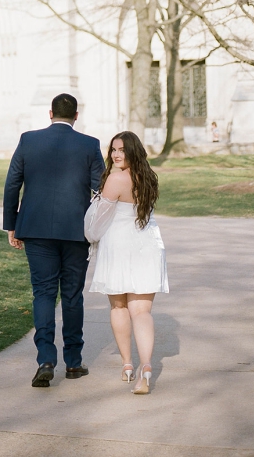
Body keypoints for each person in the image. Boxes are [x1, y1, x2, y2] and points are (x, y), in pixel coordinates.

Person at [3, 93, 104, 388]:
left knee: (44, 293)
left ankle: (46, 359)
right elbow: (101, 190)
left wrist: (12, 224)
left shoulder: (28, 140)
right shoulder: (89, 144)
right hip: (76, 231)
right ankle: (73, 363)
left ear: (50, 113)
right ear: (76, 115)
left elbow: (12, 183)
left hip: (35, 228)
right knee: (72, 295)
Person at [89, 130, 169, 394]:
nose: (115, 155)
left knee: (119, 308)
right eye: (113, 149)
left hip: (120, 248)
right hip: (147, 246)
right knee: (142, 312)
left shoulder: (115, 179)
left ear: (132, 151)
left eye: (121, 150)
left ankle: (127, 364)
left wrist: (88, 234)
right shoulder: (148, 178)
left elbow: (98, 221)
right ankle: (146, 368)